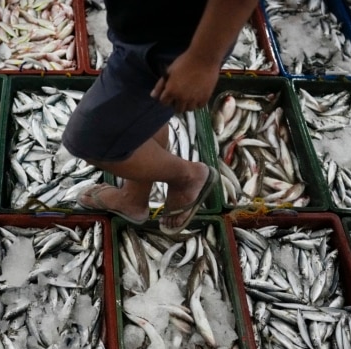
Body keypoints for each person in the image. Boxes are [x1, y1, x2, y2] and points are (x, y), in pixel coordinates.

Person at [62, 0, 259, 235]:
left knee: (87, 140)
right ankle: (133, 198)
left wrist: (203, 59)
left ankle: (187, 178)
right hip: (142, 30)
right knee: (144, 113)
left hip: (171, 45)